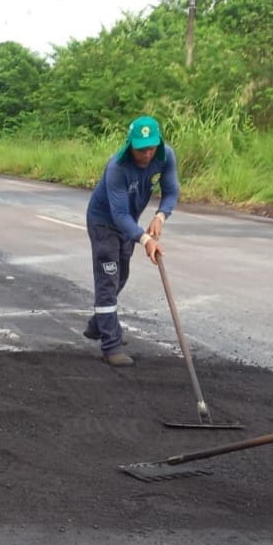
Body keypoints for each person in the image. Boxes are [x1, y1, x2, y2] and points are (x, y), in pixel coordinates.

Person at [82, 115, 179, 367]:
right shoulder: (117, 167)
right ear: (130, 144)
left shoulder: (165, 156)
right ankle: (110, 346)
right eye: (141, 149)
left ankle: (99, 325)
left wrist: (160, 216)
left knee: (120, 276)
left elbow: (171, 191)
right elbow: (119, 214)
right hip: (104, 223)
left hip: (128, 225)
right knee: (108, 280)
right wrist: (145, 239)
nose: (146, 154)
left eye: (151, 148)